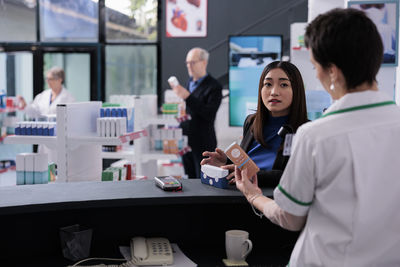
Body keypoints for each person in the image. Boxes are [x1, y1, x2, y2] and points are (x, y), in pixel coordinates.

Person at [235, 8, 400, 266]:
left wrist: (254, 196)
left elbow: (290, 217)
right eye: (267, 84)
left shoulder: (315, 135)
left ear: (331, 71)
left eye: (315, 67)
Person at [201, 61, 308, 187]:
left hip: (271, 201)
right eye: (268, 84)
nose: (274, 91)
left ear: (296, 90)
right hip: (237, 196)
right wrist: (227, 161)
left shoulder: (306, 130)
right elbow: (247, 163)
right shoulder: (251, 122)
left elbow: (294, 176)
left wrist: (251, 175)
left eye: (283, 84)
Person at [168, 47, 222, 178]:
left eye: (193, 62)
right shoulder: (190, 82)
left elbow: (209, 114)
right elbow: (190, 109)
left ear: (204, 62)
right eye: (187, 63)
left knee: (203, 180)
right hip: (186, 141)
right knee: (189, 179)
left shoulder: (214, 86)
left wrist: (187, 96)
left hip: (203, 142)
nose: (189, 66)